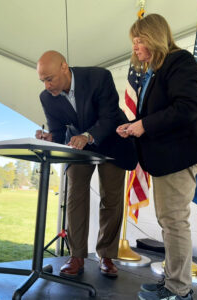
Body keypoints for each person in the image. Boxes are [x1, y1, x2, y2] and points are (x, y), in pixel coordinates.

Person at [116, 14, 197, 300]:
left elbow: (187, 106)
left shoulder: (179, 61)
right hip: (166, 157)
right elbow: (159, 111)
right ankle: (173, 282)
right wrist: (134, 125)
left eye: (139, 40)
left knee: (174, 222)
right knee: (169, 221)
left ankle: (178, 290)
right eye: (133, 42)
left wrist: (143, 125)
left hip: (179, 155)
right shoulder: (154, 70)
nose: (135, 48)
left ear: (154, 37)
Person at [35, 50, 137, 278]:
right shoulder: (46, 98)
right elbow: (59, 132)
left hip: (112, 140)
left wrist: (88, 136)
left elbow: (110, 117)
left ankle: (107, 256)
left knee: (111, 199)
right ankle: (77, 256)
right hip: (79, 147)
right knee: (75, 196)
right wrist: (50, 138)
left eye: (49, 78)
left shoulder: (99, 77)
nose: (46, 86)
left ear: (64, 67)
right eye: (42, 80)